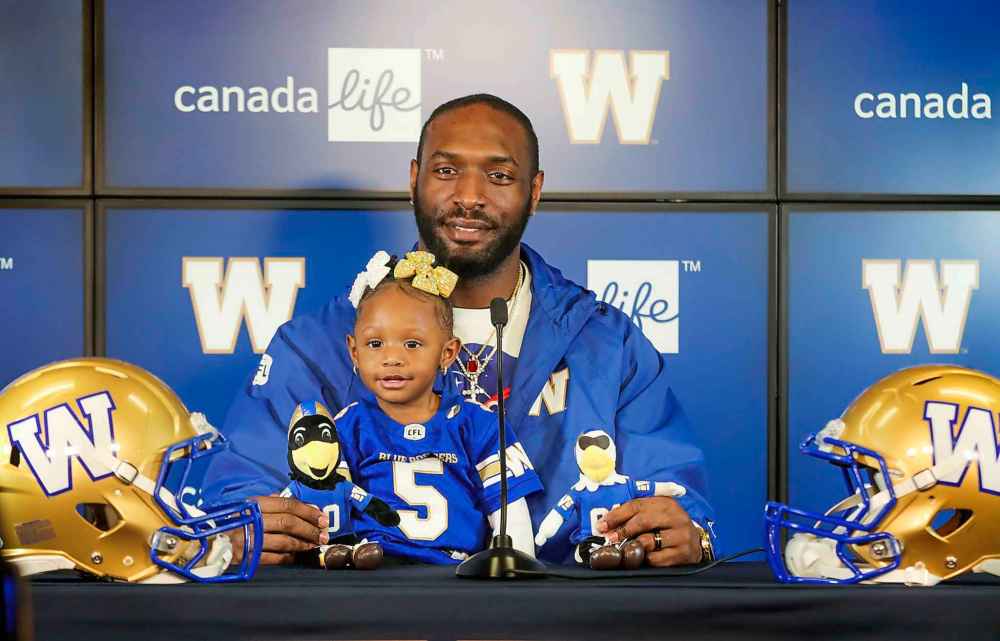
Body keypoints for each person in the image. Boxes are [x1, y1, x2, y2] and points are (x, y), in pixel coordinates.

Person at [203, 94, 717, 567]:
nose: (469, 196)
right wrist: (243, 528)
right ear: (414, 179)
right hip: (375, 619)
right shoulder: (317, 346)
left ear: (535, 191)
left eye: (499, 176)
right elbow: (238, 498)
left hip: (558, 619)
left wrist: (684, 531)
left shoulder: (605, 344)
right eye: (446, 170)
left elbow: (674, 496)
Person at [319, 251, 539, 563]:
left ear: (447, 353)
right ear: (354, 352)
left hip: (454, 576)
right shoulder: (347, 426)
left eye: (412, 344)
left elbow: (509, 510)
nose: (392, 358)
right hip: (374, 573)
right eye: (375, 344)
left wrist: (517, 572)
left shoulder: (478, 424)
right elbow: (330, 508)